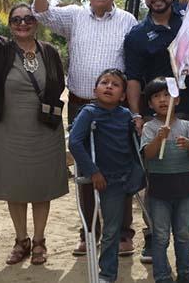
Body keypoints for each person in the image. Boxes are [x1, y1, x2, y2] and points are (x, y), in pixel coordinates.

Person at [31, 0, 139, 256]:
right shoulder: (75, 16)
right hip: (80, 106)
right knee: (85, 171)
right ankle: (89, 231)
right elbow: (42, 14)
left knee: (120, 169)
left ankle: (124, 233)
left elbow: (135, 62)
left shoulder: (128, 21)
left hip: (117, 110)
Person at [0, 0, 68, 266]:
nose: (22, 24)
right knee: (15, 186)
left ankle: (40, 241)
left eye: (28, 19)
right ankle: (22, 240)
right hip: (7, 130)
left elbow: (59, 82)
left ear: (36, 23)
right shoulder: (2, 50)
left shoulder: (49, 51)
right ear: (10, 25)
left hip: (45, 130)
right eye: (16, 20)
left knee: (41, 186)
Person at [123, 0, 189, 262]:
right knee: (154, 176)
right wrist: (137, 114)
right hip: (154, 116)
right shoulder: (136, 35)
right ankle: (152, 236)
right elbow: (133, 78)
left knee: (188, 172)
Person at [68, 69, 139, 283]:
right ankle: (107, 275)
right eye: (104, 82)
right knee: (110, 229)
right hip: (104, 177)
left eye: (115, 84)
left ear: (123, 95)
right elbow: (75, 142)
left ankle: (108, 271)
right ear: (94, 90)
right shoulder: (89, 112)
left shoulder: (125, 115)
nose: (109, 86)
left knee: (113, 227)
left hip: (124, 176)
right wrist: (93, 171)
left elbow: (131, 144)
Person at [140, 77, 189, 283]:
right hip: (159, 191)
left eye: (166, 95)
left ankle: (184, 272)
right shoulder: (150, 127)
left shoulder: (186, 125)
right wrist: (159, 138)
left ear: (176, 99)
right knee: (160, 236)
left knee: (183, 234)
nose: (162, 100)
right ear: (150, 104)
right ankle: (162, 274)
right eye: (156, 96)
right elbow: (148, 155)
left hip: (184, 189)